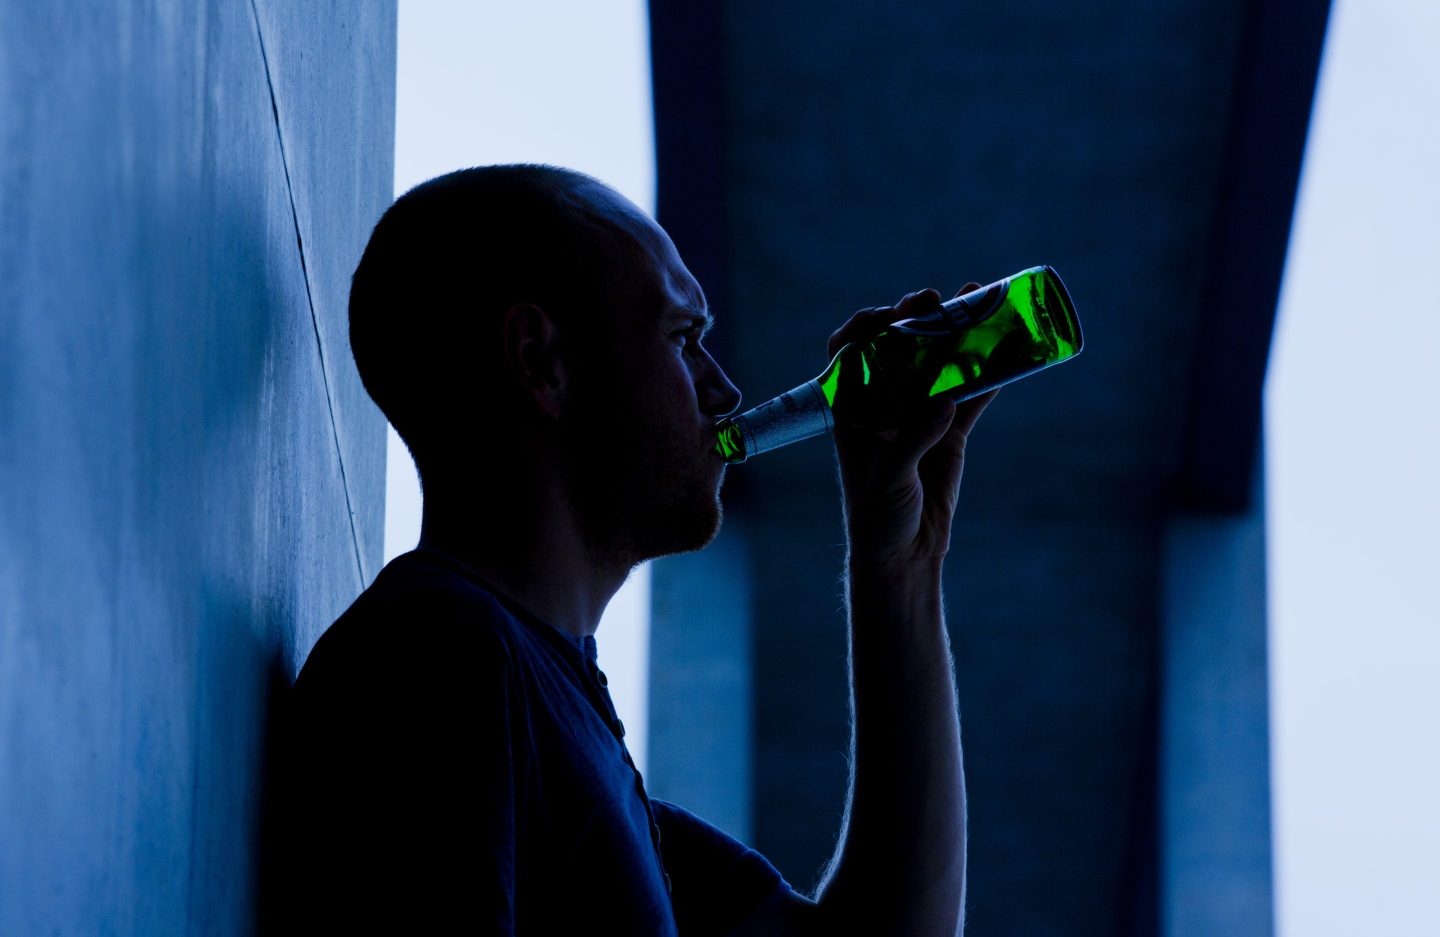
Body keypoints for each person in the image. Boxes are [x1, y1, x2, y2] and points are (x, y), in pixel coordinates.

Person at [281, 164, 996, 935]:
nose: (723, 391)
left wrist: (902, 564)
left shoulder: (576, 742)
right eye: (683, 338)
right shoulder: (436, 658)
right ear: (540, 361)